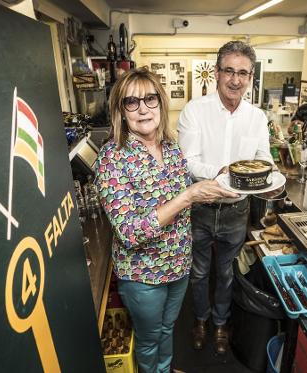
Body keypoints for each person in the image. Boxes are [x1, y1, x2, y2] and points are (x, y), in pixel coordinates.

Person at [94, 68, 238, 373]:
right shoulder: (112, 158)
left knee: (167, 330)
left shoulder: (172, 149)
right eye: (131, 102)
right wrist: (189, 196)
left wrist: (217, 176)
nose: (143, 108)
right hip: (143, 275)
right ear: (121, 111)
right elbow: (129, 232)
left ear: (161, 103)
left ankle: (165, 368)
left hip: (178, 265)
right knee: (148, 339)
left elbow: (181, 190)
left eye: (150, 99)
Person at [177, 41, 273, 355]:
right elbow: (186, 162)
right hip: (201, 208)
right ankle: (201, 319)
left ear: (250, 78)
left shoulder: (257, 118)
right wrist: (222, 172)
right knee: (200, 271)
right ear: (217, 73)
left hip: (236, 210)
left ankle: (220, 322)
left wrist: (267, 177)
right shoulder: (195, 110)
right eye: (229, 71)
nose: (235, 79)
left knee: (227, 271)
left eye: (242, 73)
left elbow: (265, 159)